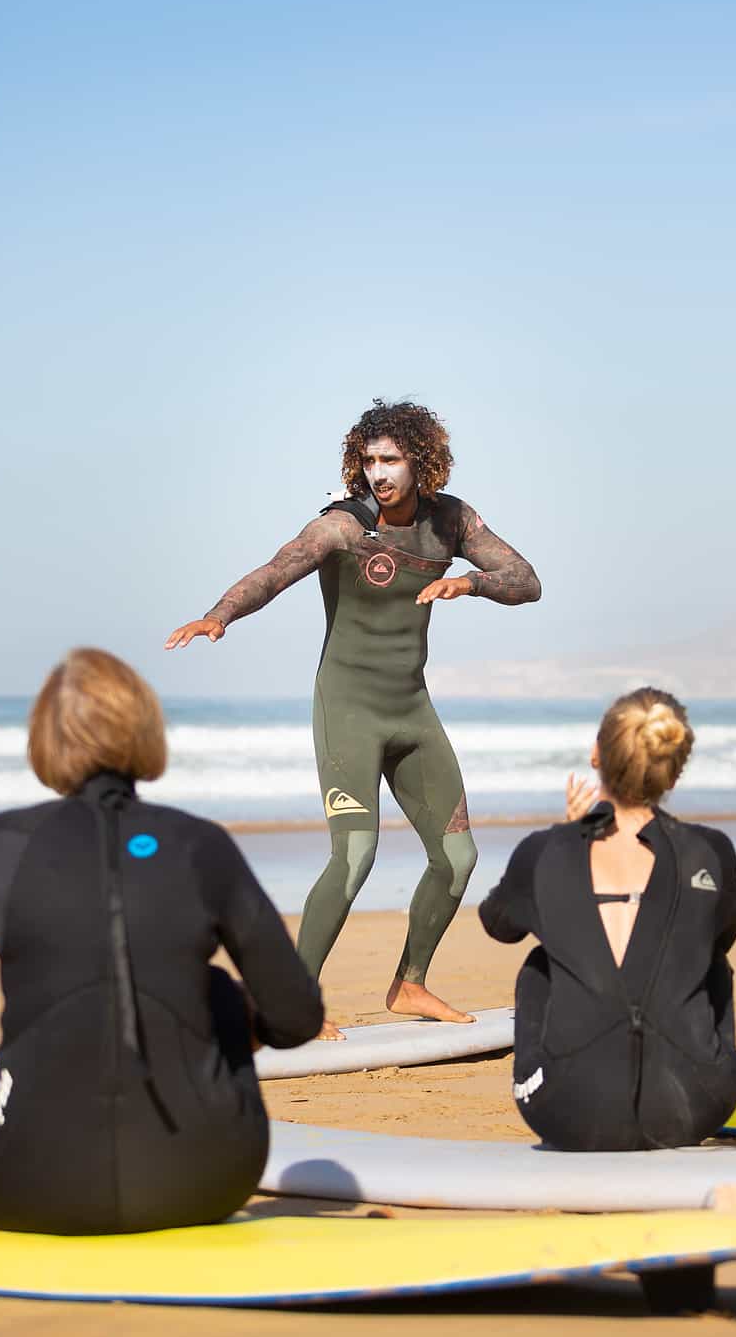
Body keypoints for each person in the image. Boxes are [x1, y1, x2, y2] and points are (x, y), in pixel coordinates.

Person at [0, 649, 327, 1235]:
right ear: (146, 729)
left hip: (25, 1192)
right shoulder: (199, 845)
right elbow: (296, 1018)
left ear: (44, 740)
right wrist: (229, 1025)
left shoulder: (3, 845)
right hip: (208, 1184)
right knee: (217, 990)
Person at [166, 400, 540, 1035]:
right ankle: (290, 1002)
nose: (378, 473)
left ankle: (410, 983)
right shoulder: (342, 527)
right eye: (369, 461)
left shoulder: (452, 521)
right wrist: (220, 615)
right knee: (356, 853)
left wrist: (468, 585)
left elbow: (525, 580)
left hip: (412, 710)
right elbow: (276, 571)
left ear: (422, 461)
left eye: (391, 459)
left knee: (458, 858)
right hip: (348, 710)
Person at [478, 689, 736, 1151]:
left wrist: (570, 837)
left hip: (568, 1111)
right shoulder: (710, 851)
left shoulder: (547, 852)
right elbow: (725, 931)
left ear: (596, 756)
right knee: (711, 962)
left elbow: (498, 924)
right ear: (673, 772)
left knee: (540, 965)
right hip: (694, 1107)